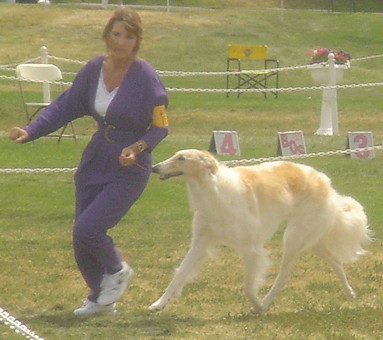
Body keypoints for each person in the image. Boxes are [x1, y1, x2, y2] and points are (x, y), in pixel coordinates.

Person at [10, 7, 169, 316]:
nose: (120, 41)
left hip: (129, 167)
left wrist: (137, 148)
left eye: (128, 36)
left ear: (137, 41)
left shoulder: (145, 77)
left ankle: (117, 270)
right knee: (80, 239)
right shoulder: (93, 69)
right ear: (106, 34)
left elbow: (161, 127)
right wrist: (31, 130)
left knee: (89, 228)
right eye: (116, 33)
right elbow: (64, 107)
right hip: (96, 160)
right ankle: (100, 299)